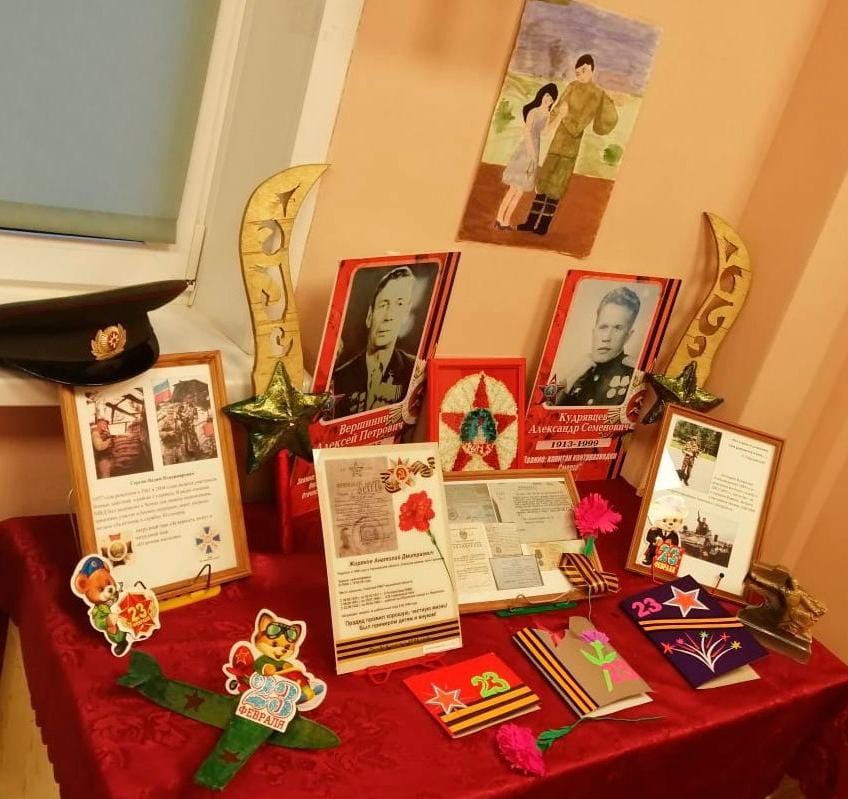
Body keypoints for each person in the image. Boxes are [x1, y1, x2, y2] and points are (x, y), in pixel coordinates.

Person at [518, 54, 618, 235]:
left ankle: (543, 226)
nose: (581, 75)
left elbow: (579, 125)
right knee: (543, 183)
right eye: (578, 72)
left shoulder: (596, 94)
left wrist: (565, 117)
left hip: (570, 149)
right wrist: (557, 116)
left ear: (592, 70)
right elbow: (557, 109)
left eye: (584, 71)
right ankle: (531, 222)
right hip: (556, 144)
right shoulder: (572, 86)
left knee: (557, 186)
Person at [332, 267, 417, 417]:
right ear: (369, 316)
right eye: (383, 305)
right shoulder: (339, 377)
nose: (388, 316)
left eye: (399, 304)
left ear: (405, 315)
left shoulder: (414, 372)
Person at [555, 286, 640, 406]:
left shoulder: (634, 376)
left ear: (628, 336)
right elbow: (540, 407)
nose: (606, 338)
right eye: (603, 327)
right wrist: (570, 379)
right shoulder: (578, 369)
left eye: (617, 328)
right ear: (594, 331)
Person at [495, 83, 558, 230]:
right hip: (526, 150)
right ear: (542, 95)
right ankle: (499, 218)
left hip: (535, 150)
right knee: (514, 188)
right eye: (547, 95)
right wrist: (531, 153)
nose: (548, 100)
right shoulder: (533, 111)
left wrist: (559, 118)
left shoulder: (547, 114)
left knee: (520, 191)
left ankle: (506, 221)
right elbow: (527, 131)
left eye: (551, 98)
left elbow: (545, 132)